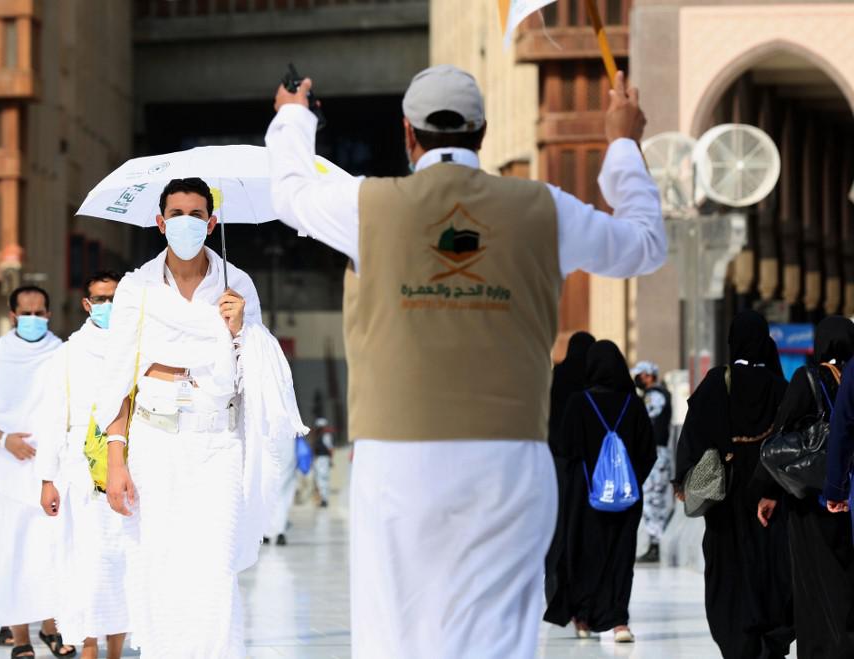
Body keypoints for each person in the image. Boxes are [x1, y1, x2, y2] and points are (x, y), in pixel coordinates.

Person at [267, 63, 663, 657]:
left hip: (397, 462)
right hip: (507, 460)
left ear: (408, 134)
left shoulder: (367, 207)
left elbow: (290, 190)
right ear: (483, 132)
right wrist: (623, 143)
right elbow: (645, 244)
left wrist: (294, 115)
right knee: (496, 639)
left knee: (395, 636)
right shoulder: (544, 210)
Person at [95, 177, 305, 657]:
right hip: (156, 439)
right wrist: (115, 460)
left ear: (212, 223)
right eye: (177, 214)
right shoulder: (137, 287)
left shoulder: (238, 284)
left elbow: (258, 371)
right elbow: (117, 377)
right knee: (157, 560)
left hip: (217, 442)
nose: (186, 223)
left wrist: (238, 331)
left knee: (214, 565)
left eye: (196, 214)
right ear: (160, 221)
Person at [674, 310, 792, 659]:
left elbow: (692, 434)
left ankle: (736, 638)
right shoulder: (779, 387)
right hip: (768, 494)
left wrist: (684, 478)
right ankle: (769, 639)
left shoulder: (716, 382)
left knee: (728, 566)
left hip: (724, 494)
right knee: (769, 565)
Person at [0, 285, 73, 658]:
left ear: (48, 314)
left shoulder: (63, 353)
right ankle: (21, 637)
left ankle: (53, 626)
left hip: (52, 470)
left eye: (39, 312)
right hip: (7, 468)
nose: (33, 318)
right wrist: (2, 438)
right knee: (10, 554)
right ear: (13, 315)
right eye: (25, 312)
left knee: (51, 553)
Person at [38, 270, 129, 659]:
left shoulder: (139, 347)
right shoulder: (68, 353)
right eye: (101, 299)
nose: (108, 305)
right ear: (87, 304)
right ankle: (89, 646)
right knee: (88, 564)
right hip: (78, 466)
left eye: (115, 298)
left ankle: (116, 651)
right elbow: (51, 416)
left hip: (128, 463)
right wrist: (47, 478)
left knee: (124, 561)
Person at [544, 340, 655, 642]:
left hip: (585, 496)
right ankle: (619, 621)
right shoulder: (633, 404)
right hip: (626, 497)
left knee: (583, 553)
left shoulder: (579, 402)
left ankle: (582, 619)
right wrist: (631, 482)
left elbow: (565, 447)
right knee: (620, 556)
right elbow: (649, 451)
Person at [758, 316, 854, 657]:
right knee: (844, 571)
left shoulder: (807, 377)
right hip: (847, 490)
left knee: (811, 577)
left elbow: (781, 436)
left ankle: (819, 648)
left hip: (808, 495)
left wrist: (768, 491)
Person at [545, 331, 596, 602]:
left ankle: (554, 590)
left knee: (558, 525)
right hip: (590, 465)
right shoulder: (594, 380)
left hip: (555, 461)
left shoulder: (554, 378)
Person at [632, 360, 673, 563]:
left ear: (649, 375)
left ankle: (656, 545)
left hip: (656, 454)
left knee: (653, 499)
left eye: (640, 375)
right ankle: (654, 544)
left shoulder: (654, 396)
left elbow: (646, 418)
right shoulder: (656, 394)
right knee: (652, 499)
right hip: (658, 453)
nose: (638, 379)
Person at [310, 417, 334, 507]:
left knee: (323, 479)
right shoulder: (316, 436)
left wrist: (330, 460)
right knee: (318, 479)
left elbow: (330, 449)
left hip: (323, 459)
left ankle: (324, 499)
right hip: (318, 459)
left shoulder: (326, 436)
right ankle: (321, 498)